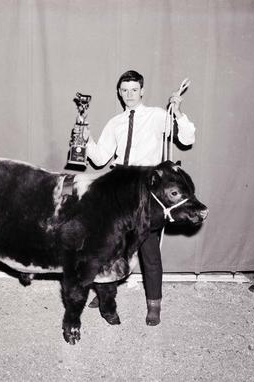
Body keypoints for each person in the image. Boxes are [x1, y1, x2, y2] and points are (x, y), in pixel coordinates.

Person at [84, 70, 196, 326]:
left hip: (147, 190)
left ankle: (154, 305)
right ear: (119, 92)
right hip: (119, 187)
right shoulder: (115, 123)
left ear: (142, 91)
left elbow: (187, 138)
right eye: (124, 90)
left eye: (134, 90)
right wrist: (86, 138)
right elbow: (100, 158)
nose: (129, 95)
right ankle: (104, 291)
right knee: (109, 246)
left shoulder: (158, 116)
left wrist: (177, 111)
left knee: (149, 251)